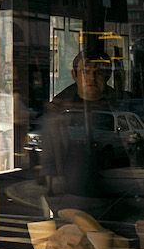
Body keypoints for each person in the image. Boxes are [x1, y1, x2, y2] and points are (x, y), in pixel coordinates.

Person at [40, 50, 123, 218]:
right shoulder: (58, 110)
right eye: (86, 71)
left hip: (117, 193)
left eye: (98, 72)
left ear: (108, 75)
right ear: (74, 74)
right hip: (72, 196)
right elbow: (49, 157)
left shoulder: (123, 104)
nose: (92, 78)